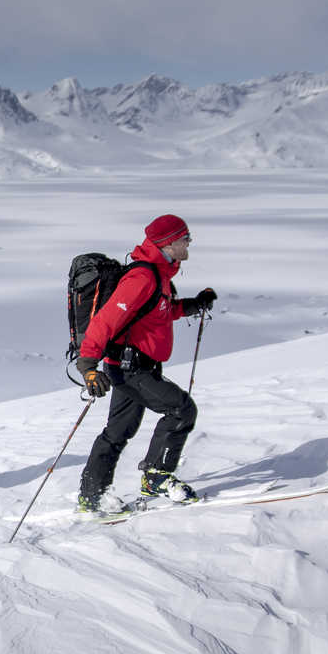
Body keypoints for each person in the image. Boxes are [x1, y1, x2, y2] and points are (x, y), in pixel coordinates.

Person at [73, 214, 216, 516]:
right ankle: (156, 476)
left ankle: (92, 495)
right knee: (181, 409)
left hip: (139, 365)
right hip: (129, 368)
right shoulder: (143, 278)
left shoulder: (160, 276)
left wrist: (194, 305)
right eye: (185, 237)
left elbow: (159, 312)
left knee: (118, 431)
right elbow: (106, 322)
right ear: (168, 243)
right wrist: (87, 366)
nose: (189, 241)